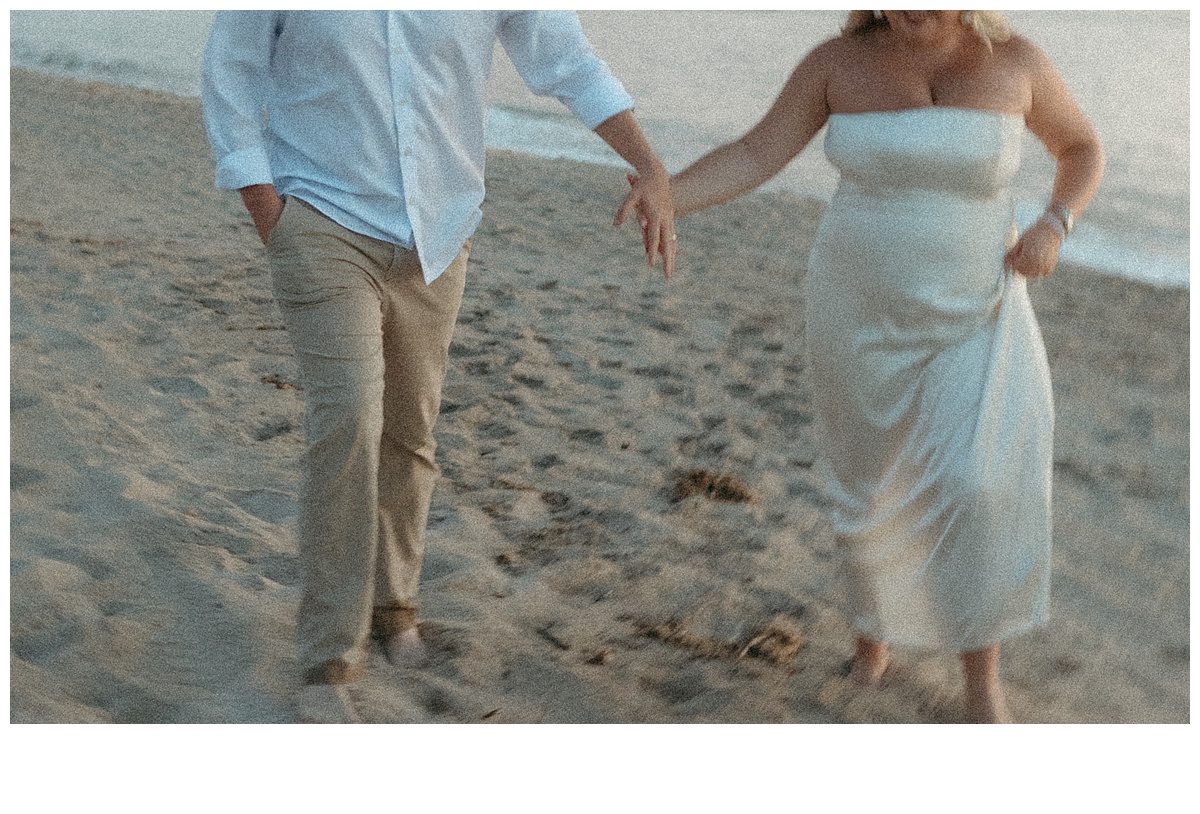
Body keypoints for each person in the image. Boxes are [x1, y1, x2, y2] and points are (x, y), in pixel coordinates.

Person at [201, 10, 675, 723]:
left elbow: (566, 60)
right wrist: (270, 210)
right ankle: (329, 657)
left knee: (410, 429)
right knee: (349, 426)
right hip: (322, 220)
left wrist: (651, 164)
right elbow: (231, 71)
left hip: (438, 235)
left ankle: (395, 609)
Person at [655, 10, 1104, 722]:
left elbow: (1080, 147)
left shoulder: (1016, 61)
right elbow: (753, 155)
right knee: (869, 478)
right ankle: (872, 645)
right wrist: (665, 195)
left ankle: (981, 678)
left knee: (975, 483)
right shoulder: (834, 61)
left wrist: (1055, 224)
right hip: (856, 305)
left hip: (977, 308)